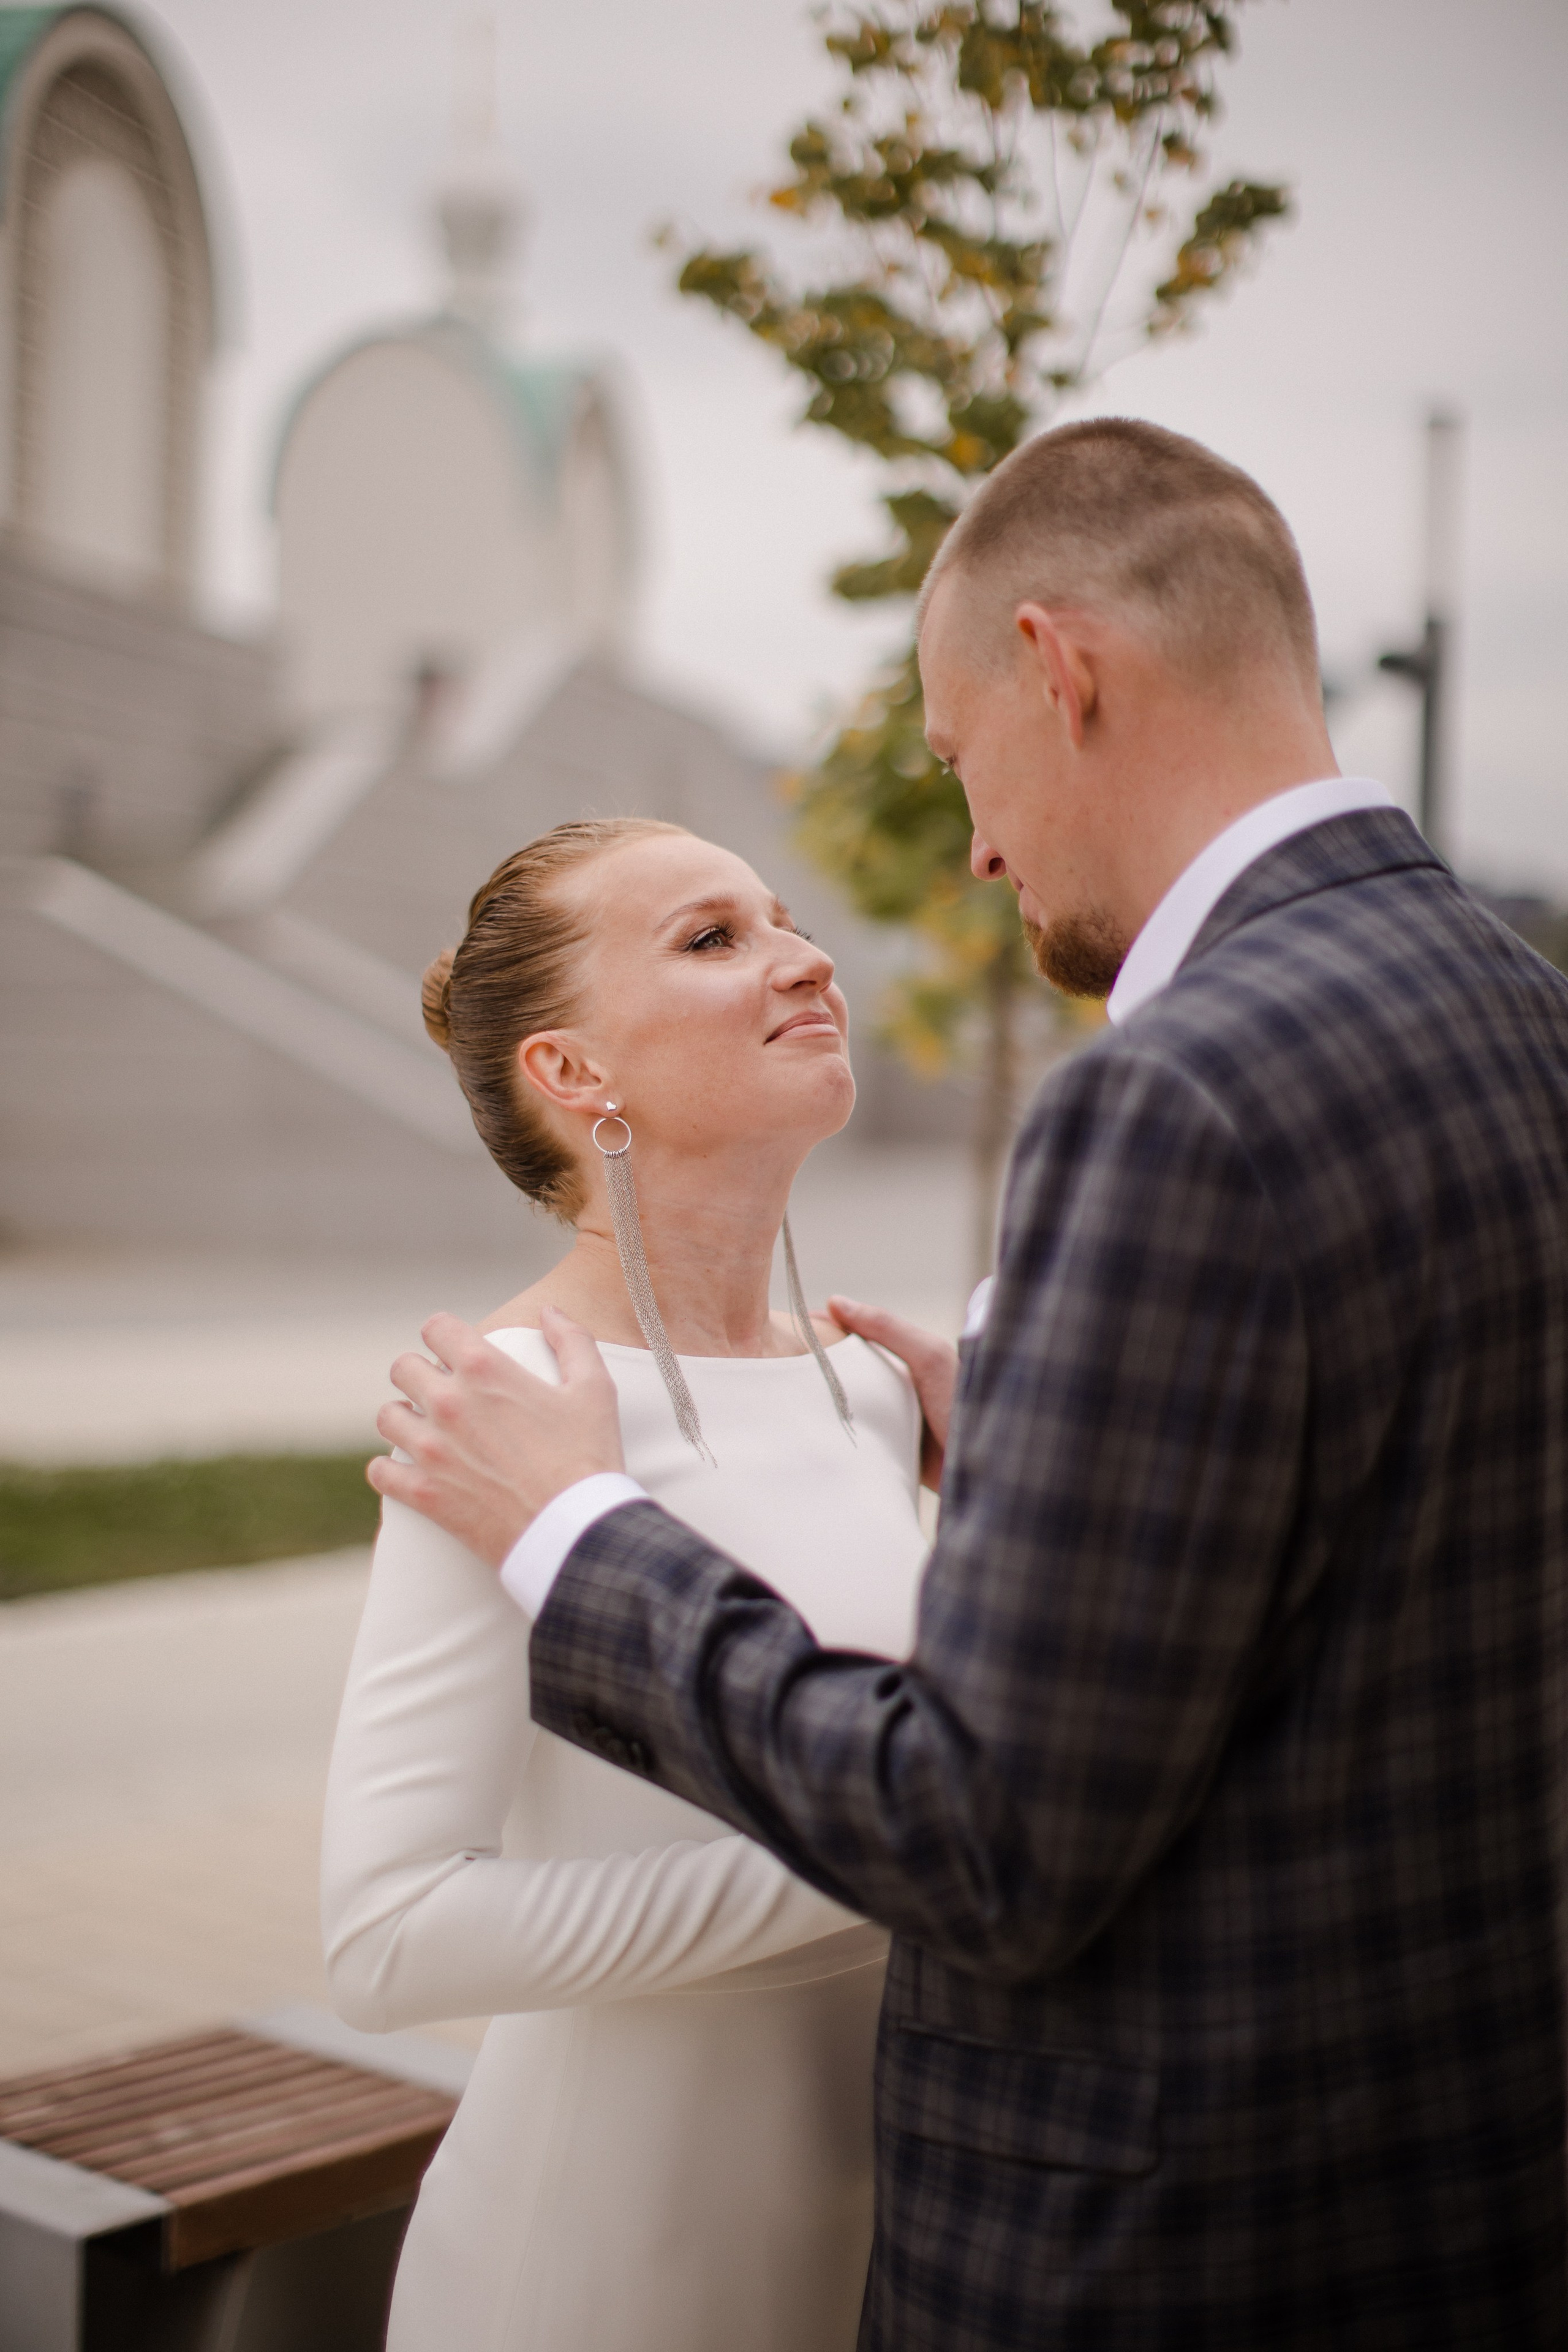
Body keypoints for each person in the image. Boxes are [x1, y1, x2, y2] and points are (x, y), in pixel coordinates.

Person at [372, 419, 1568, 2348]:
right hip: (1438, 2190)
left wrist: (581, 1542)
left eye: (958, 756)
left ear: (1063, 672)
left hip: (1172, 2253)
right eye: (712, 933)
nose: (977, 839)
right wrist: (1036, 1429)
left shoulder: (1172, 1097)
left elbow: (997, 1838)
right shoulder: (1519, 1013)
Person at [320, 817, 930, 2352]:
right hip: (599, 2271)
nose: (806, 960)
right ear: (572, 1074)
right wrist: (900, 1839)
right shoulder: (509, 1406)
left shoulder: (871, 1386)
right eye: (712, 939)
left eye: (784, 919)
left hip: (877, 2249)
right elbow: (389, 1936)